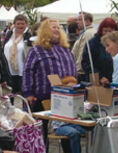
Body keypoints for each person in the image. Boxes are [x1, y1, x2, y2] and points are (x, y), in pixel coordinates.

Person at [22, 19, 79, 153]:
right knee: (40, 133)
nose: (57, 29)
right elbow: (28, 71)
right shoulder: (36, 50)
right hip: (41, 97)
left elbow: (74, 71)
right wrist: (28, 93)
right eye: (53, 27)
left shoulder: (66, 50)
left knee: (67, 131)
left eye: (59, 27)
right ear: (45, 31)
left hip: (65, 97)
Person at [81, 17, 118, 84]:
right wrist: (100, 77)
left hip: (114, 81)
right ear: (101, 31)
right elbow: (86, 63)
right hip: (96, 83)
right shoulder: (92, 43)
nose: (107, 34)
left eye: (110, 31)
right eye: (105, 31)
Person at [2, 14, 32, 94]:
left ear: (26, 24)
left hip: (22, 71)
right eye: (18, 23)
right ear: (14, 24)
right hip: (9, 71)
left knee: (23, 95)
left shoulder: (28, 36)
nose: (20, 26)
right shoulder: (9, 34)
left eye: (23, 23)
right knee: (9, 95)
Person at [71, 12, 95, 81]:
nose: (77, 22)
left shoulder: (87, 34)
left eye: (79, 20)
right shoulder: (86, 33)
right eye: (77, 20)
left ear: (87, 21)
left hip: (82, 73)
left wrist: (78, 70)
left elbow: (82, 54)